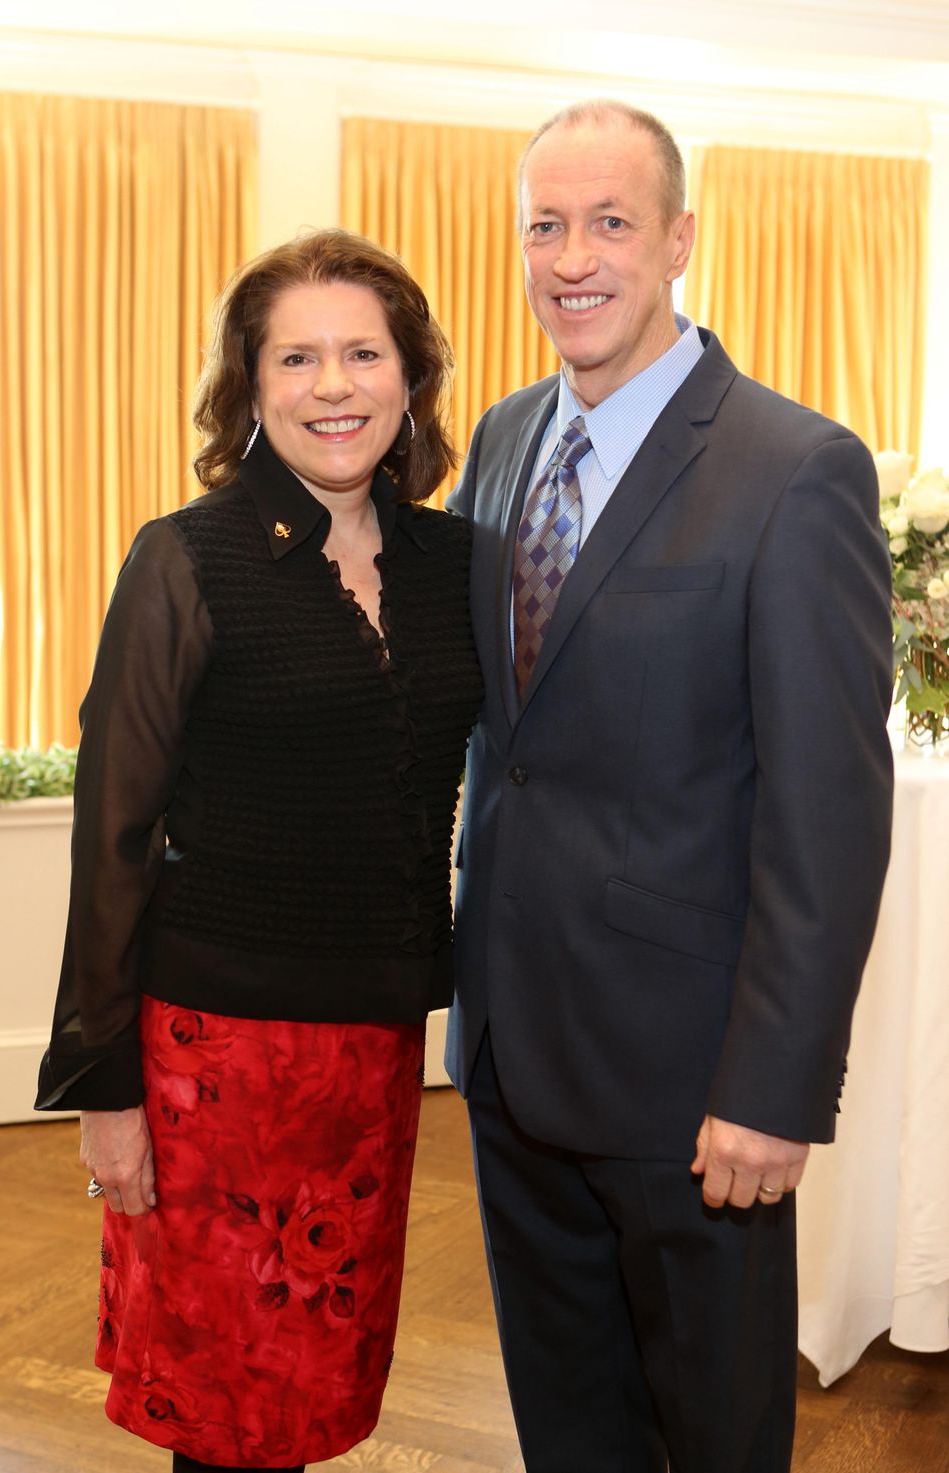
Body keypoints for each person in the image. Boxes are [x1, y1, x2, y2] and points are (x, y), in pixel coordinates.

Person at [447, 100, 893, 1473]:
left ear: (680, 239)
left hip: (692, 1091)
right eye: (544, 224)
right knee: (569, 1432)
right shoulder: (506, 438)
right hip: (512, 1061)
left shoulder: (794, 469)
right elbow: (503, 743)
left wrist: (773, 1084)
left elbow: (828, 815)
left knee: (711, 1441)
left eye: (610, 222)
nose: (572, 257)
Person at [35, 228, 482, 1473]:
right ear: (250, 384)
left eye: (360, 353)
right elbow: (112, 834)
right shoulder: (186, 559)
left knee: (312, 1401)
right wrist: (105, 1088)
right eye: (296, 357)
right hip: (210, 1066)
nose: (331, 386)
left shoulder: (456, 563)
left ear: (409, 378)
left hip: (375, 1053)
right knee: (226, 1415)